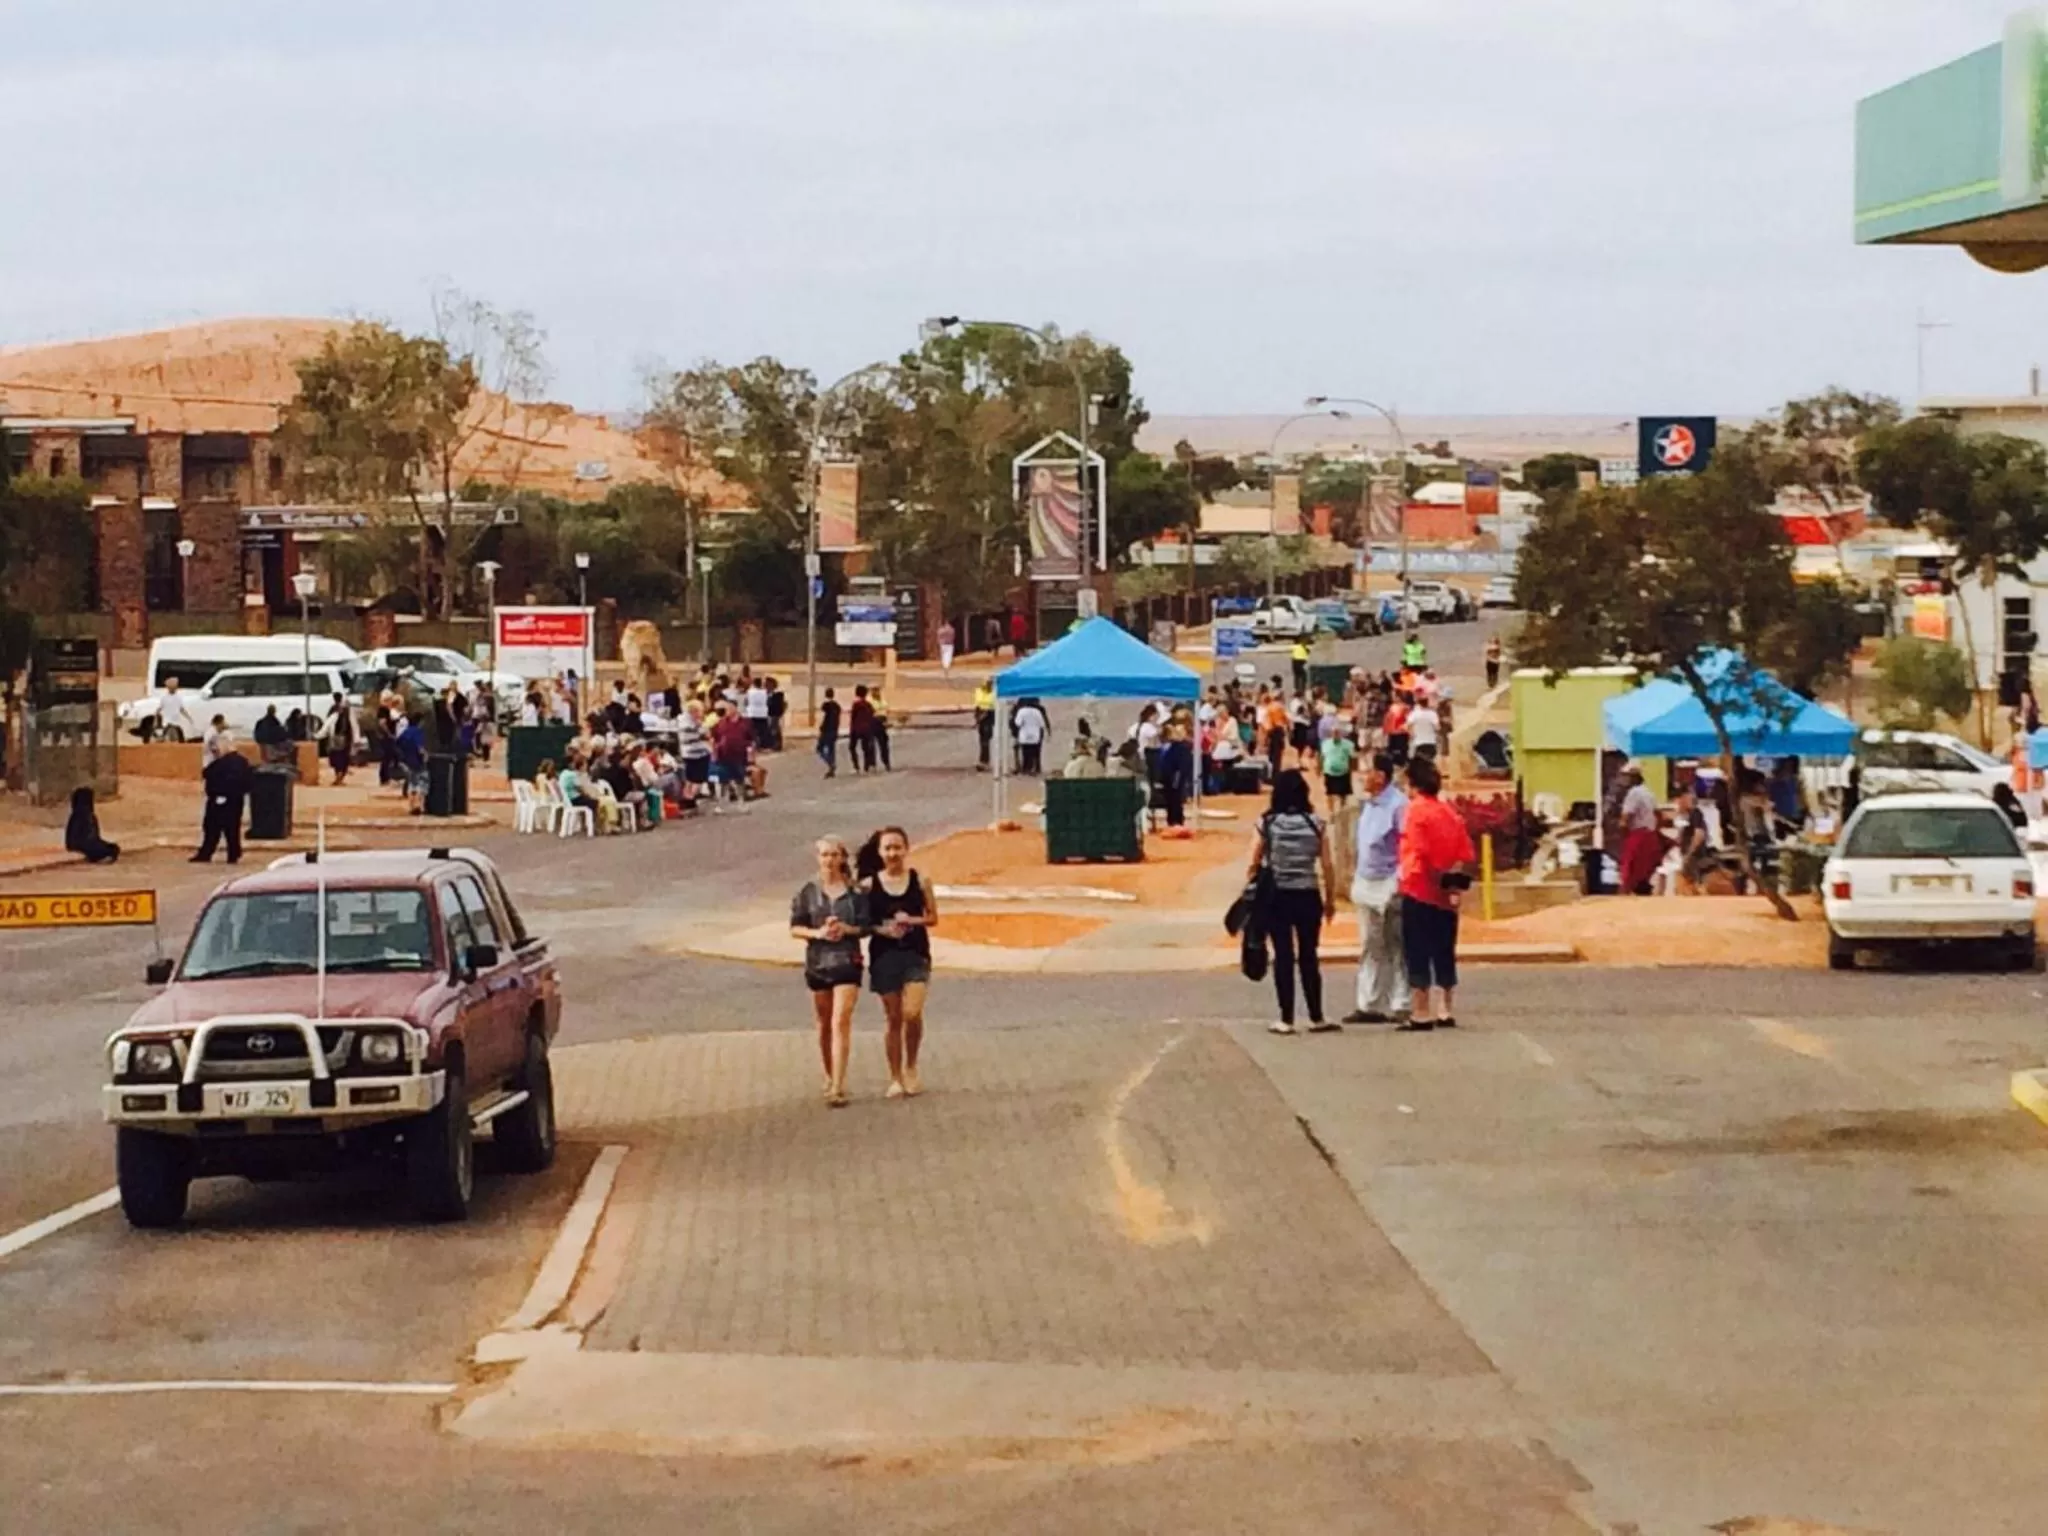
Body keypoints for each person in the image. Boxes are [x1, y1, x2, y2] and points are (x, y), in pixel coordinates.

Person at [1246, 770, 1337, 1035]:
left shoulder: (1267, 823)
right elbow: (1328, 866)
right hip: (1308, 894)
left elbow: (1253, 860)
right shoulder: (1316, 824)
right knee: (1309, 955)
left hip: (1277, 895)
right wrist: (1330, 899)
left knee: (1283, 955)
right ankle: (1316, 1016)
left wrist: (1253, 887)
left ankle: (1286, 1018)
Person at [859, 826, 938, 1099]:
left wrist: (910, 920)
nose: (893, 853)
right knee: (893, 1018)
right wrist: (883, 929)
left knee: (912, 1013)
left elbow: (932, 917)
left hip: (915, 951)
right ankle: (895, 1076)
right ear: (880, 852)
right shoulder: (869, 886)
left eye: (897, 847)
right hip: (884, 955)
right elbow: (864, 924)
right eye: (887, 848)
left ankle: (912, 1066)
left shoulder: (919, 881)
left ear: (906, 849)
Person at [1397, 755, 1475, 1031]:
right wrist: (1451, 882)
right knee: (1444, 949)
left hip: (1419, 888)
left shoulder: (1415, 811)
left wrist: (1430, 874)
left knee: (1416, 950)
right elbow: (1466, 852)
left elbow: (1419, 851)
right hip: (1447, 892)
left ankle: (1420, 1010)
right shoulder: (1450, 812)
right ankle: (1446, 1007)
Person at [790, 837, 867, 1107]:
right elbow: (795, 927)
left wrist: (847, 929)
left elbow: (866, 926)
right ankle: (828, 1072)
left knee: (840, 1020)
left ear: (843, 858)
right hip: (818, 962)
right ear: (818, 858)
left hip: (848, 960)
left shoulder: (856, 894)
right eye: (825, 855)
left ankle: (838, 1083)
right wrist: (817, 933)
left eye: (835, 855)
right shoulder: (807, 892)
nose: (830, 860)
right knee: (824, 1023)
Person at [1344, 752, 1409, 1025]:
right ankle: (1369, 1004)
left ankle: (1401, 1002)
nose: (1361, 776)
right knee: (1370, 944)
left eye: (1366, 771)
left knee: (1397, 944)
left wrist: (1399, 881)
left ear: (1380, 776)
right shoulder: (1368, 805)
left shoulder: (1399, 805)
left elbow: (1406, 845)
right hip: (1366, 881)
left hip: (1389, 881)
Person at [192, 743, 253, 864]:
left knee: (212, 828)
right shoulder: (242, 762)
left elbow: (206, 773)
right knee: (232, 829)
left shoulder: (220, 763)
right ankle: (233, 853)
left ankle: (206, 853)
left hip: (219, 799)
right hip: (235, 800)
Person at [1617, 765, 1664, 896]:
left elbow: (1626, 816)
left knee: (1629, 869)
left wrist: (1623, 830)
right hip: (1650, 834)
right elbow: (1658, 814)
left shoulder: (1633, 793)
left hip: (1637, 835)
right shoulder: (1649, 792)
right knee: (1644, 870)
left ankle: (1623, 897)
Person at [1675, 784, 1720, 892]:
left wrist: (1689, 853)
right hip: (1691, 855)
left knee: (1691, 884)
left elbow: (1699, 835)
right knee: (1689, 884)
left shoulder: (1695, 813)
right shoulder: (1687, 815)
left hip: (1695, 856)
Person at [64, 786, 119, 865]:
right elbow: (78, 838)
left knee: (112, 848)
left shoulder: (87, 815)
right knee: (105, 849)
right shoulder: (80, 816)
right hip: (82, 845)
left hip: (90, 843)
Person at [1157, 720, 1193, 828]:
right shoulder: (1166, 746)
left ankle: (1177, 820)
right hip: (1167, 776)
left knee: (1176, 798)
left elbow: (1184, 763)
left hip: (1176, 775)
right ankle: (1172, 820)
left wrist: (1180, 775)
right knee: (1170, 798)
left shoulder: (1182, 747)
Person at [325, 693, 356, 784]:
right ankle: (340, 776)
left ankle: (339, 776)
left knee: (337, 756)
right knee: (342, 756)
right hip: (343, 737)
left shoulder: (333, 709)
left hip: (337, 737)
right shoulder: (345, 710)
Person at [1013, 696, 1048, 776]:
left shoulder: (1021, 711)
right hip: (1035, 735)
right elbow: (1042, 724)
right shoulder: (1037, 711)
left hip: (1024, 735)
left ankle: (1026, 769)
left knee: (1025, 753)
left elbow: (1017, 723)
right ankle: (1034, 769)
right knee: (1035, 752)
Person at [156, 677, 195, 743]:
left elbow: (181, 709)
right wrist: (156, 716)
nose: (174, 689)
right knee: (166, 736)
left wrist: (189, 717)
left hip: (176, 722)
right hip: (167, 722)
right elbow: (160, 708)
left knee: (180, 738)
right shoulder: (164, 698)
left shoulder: (178, 697)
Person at [848, 685, 877, 774]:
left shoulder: (856, 704)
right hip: (867, 729)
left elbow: (853, 717)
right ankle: (866, 767)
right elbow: (872, 714)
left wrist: (851, 729)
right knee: (866, 748)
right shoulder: (868, 704)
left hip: (856, 728)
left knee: (852, 747)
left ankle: (856, 767)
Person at [1407, 695, 1441, 763]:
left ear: (1419, 704)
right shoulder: (1433, 714)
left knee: (1419, 763)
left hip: (1418, 742)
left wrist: (1412, 734)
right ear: (1427, 703)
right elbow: (1438, 728)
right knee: (1430, 762)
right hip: (1431, 742)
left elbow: (1409, 726)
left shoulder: (1414, 714)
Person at [816, 688, 842, 777]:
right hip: (834, 730)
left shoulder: (825, 705)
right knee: (831, 749)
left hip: (826, 730)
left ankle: (830, 764)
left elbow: (824, 715)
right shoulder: (837, 706)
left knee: (819, 748)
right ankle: (831, 768)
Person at [973, 678, 997, 772]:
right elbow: (978, 704)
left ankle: (984, 762)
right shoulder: (979, 691)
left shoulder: (994, 693)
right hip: (981, 714)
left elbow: (992, 705)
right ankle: (983, 761)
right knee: (983, 741)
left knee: (985, 742)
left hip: (989, 715)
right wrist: (977, 718)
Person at [869, 688, 893, 771]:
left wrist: (887, 722)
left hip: (882, 723)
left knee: (883, 744)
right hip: (873, 722)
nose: (875, 692)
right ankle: (872, 764)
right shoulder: (870, 702)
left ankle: (886, 762)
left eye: (877, 690)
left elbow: (887, 712)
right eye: (873, 690)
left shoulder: (883, 701)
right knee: (871, 745)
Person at [744, 676, 771, 750]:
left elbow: (746, 702)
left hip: (752, 713)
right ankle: (763, 745)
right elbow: (768, 702)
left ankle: (753, 744)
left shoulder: (749, 691)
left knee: (752, 730)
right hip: (762, 713)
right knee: (762, 731)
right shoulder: (765, 692)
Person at [766, 677, 787, 751]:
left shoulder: (778, 694)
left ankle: (777, 744)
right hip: (767, 714)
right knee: (770, 729)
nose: (766, 686)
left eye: (768, 684)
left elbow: (783, 704)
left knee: (775, 729)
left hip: (774, 714)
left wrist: (781, 713)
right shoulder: (764, 694)